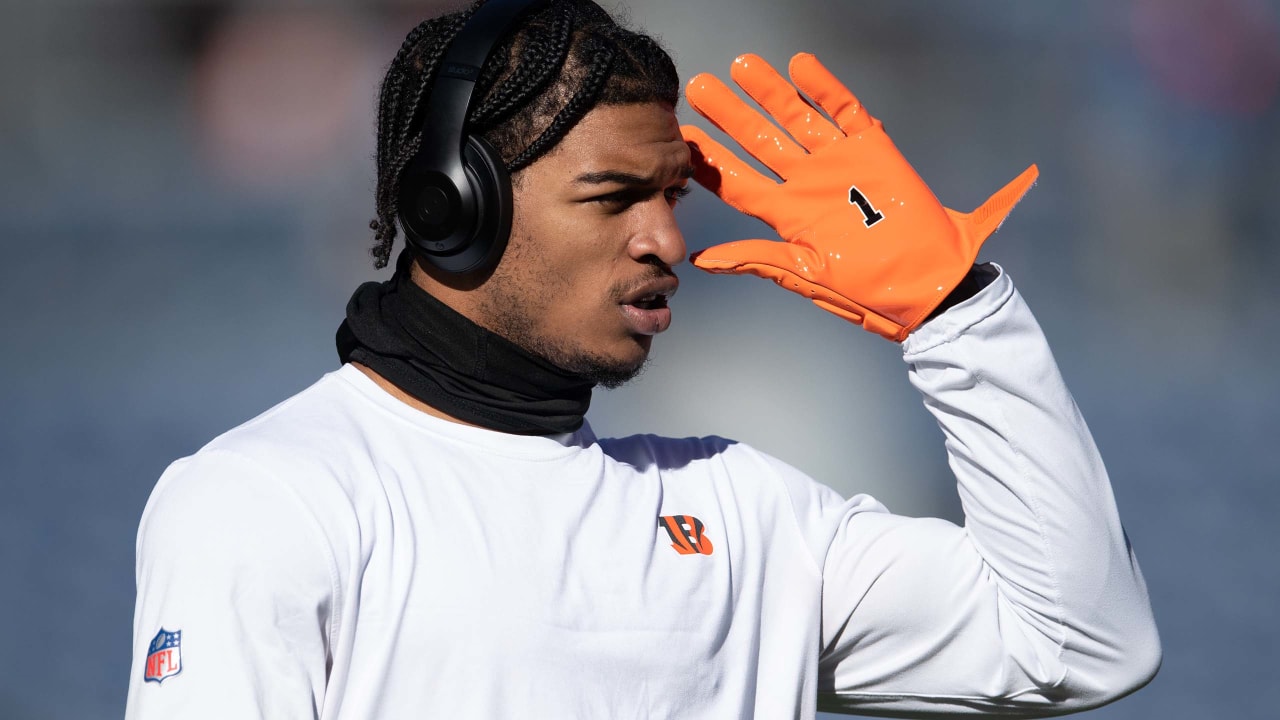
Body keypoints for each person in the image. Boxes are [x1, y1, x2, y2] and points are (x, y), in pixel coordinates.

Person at [125, 1, 1161, 718]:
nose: (667, 240)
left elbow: (1077, 644)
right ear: (453, 207)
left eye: (672, 197)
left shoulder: (747, 512)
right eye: (613, 196)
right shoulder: (265, 498)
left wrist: (955, 311)